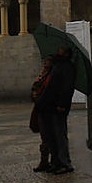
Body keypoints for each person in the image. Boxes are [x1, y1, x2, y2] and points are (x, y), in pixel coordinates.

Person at [34, 45, 76, 174]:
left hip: (58, 107)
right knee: (52, 136)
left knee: (60, 136)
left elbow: (66, 89)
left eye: (62, 48)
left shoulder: (67, 67)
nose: (59, 49)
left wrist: (62, 105)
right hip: (49, 106)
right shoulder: (57, 65)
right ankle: (56, 162)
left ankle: (65, 163)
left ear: (66, 53)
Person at [30, 56, 54, 172]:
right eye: (45, 60)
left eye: (48, 60)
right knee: (44, 136)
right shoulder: (43, 74)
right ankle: (44, 161)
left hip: (47, 109)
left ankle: (52, 161)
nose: (45, 62)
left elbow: (48, 91)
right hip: (40, 108)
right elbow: (35, 87)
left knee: (49, 136)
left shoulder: (51, 75)